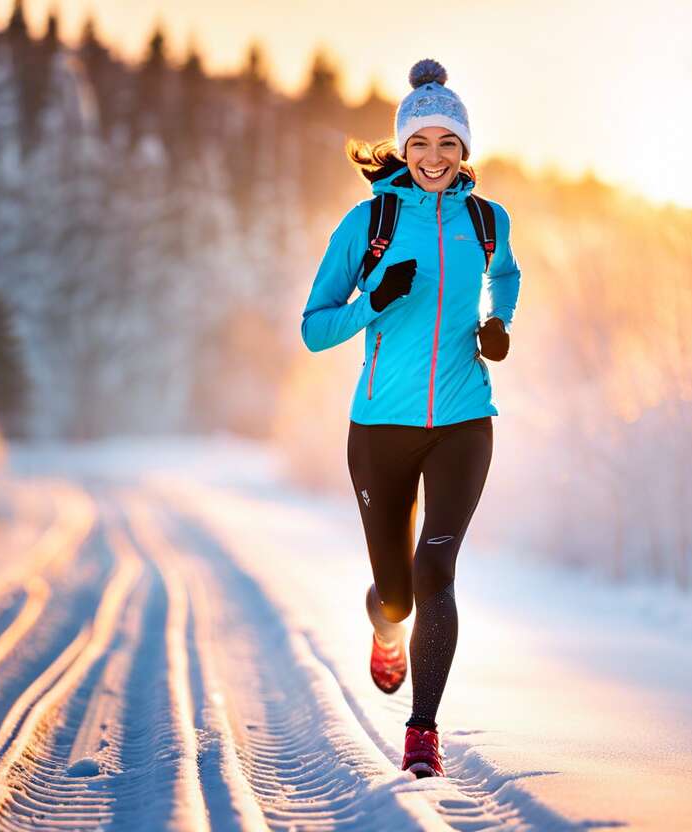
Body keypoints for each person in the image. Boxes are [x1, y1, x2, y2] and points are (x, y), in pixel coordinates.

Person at [300, 58, 521, 779]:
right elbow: (314, 328)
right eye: (420, 143)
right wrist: (374, 300)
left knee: (437, 569)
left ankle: (422, 732)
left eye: (448, 143)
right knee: (396, 591)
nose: (434, 157)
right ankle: (384, 628)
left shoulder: (487, 220)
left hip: (464, 422)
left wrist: (498, 324)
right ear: (403, 147)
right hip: (380, 432)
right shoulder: (370, 223)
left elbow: (506, 277)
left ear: (465, 151)